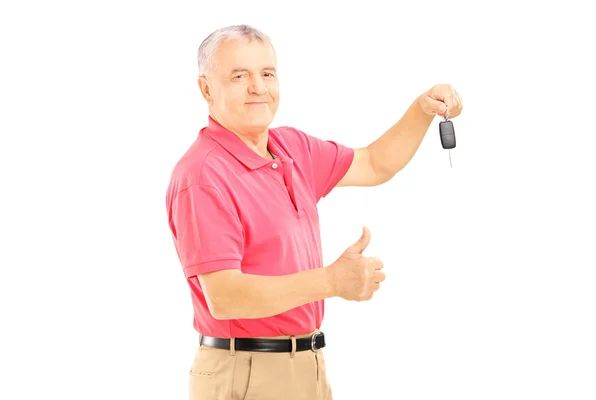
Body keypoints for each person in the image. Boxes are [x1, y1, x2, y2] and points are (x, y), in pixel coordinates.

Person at [165, 24, 463, 400]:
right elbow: (224, 296)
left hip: (306, 363)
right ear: (206, 88)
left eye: (267, 74)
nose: (258, 87)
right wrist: (333, 282)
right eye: (239, 76)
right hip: (246, 371)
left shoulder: (292, 148)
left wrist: (421, 110)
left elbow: (374, 164)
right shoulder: (203, 175)